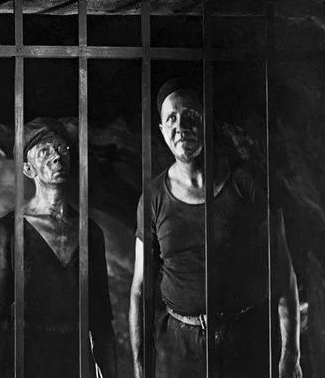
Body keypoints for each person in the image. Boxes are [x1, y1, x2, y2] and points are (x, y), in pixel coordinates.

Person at [129, 79, 302, 378]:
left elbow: (283, 273)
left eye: (190, 116)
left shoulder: (245, 184)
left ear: (206, 122)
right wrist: (140, 365)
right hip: (179, 351)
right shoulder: (154, 198)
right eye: (171, 118)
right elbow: (140, 289)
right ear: (162, 131)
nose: (181, 126)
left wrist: (290, 355)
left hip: (244, 344)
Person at [0, 118, 117, 378]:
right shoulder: (8, 231)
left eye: (61, 148)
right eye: (44, 151)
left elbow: (101, 322)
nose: (56, 156)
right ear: (28, 169)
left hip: (77, 366)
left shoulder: (90, 232)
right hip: (26, 364)